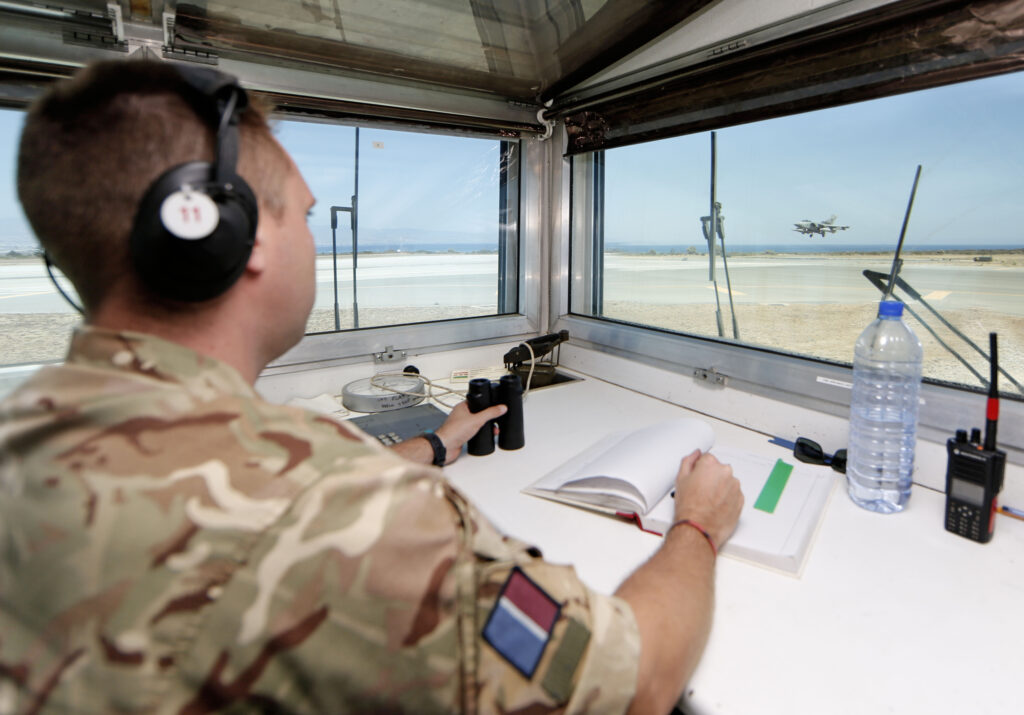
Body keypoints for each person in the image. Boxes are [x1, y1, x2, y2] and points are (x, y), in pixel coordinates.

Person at [0, 59, 743, 714]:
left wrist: (437, 443)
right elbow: (633, 684)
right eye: (305, 215)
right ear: (231, 233)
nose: (314, 240)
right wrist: (699, 524)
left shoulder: (30, 427)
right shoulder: (348, 511)